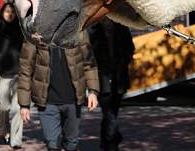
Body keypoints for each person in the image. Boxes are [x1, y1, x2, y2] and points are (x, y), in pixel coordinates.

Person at [18, 32, 100, 151]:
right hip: (47, 101)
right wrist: (24, 104)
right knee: (52, 144)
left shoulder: (78, 29)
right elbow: (25, 68)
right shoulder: (35, 30)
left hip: (73, 98)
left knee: (71, 144)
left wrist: (93, 91)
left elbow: (89, 63)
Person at [87, 18, 135, 151]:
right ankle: (112, 142)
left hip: (119, 78)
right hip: (102, 80)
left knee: (112, 112)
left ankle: (106, 140)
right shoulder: (94, 31)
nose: (107, 22)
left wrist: (123, 61)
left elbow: (130, 49)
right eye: (105, 20)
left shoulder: (122, 29)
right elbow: (89, 54)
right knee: (108, 112)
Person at [0, 2, 24, 148]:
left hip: (19, 75)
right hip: (2, 75)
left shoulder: (21, 31)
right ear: (2, 13)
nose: (10, 14)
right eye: (7, 11)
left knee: (17, 108)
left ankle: (16, 140)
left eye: (12, 12)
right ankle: (4, 129)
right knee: (4, 107)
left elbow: (27, 51)